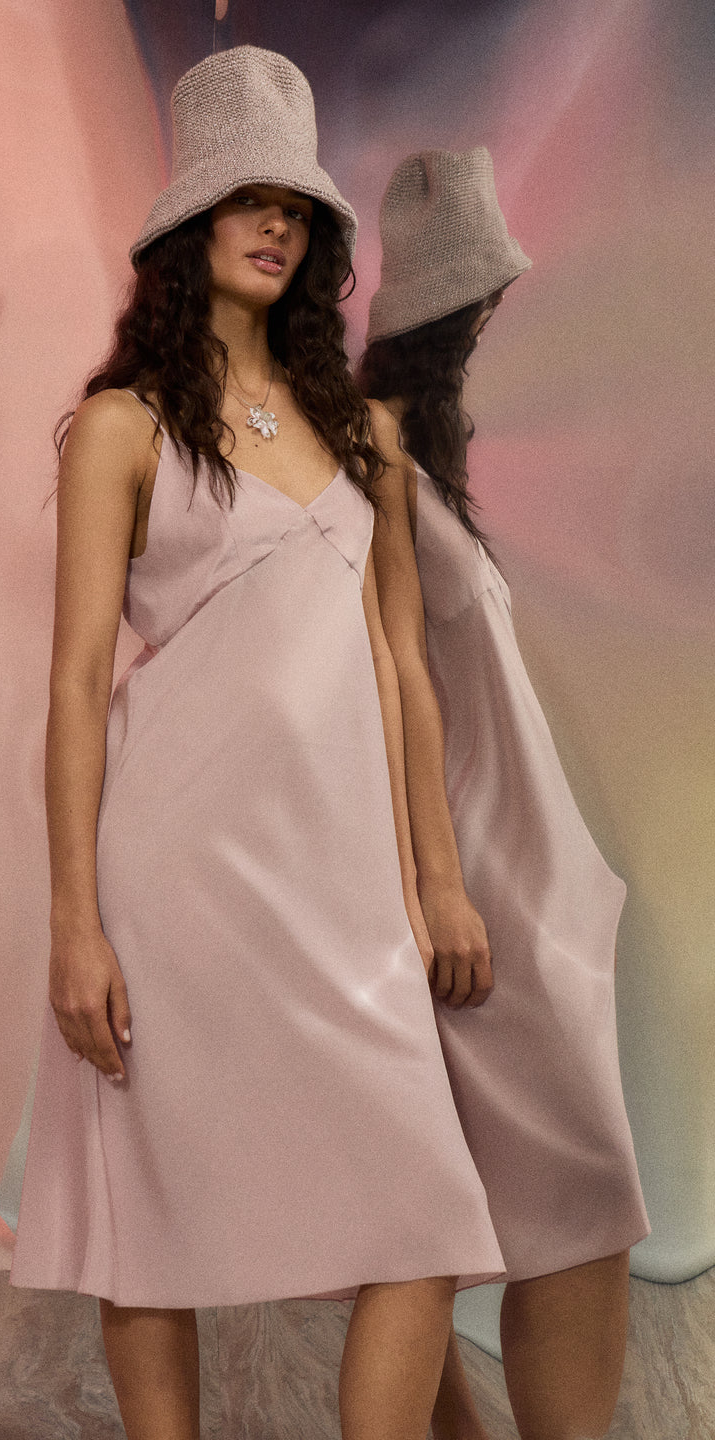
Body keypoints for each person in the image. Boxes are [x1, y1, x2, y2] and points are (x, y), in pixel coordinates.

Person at [10, 49, 506, 1440]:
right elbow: (75, 684)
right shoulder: (121, 428)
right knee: (149, 1217)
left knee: (419, 1216)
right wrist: (73, 924)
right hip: (176, 878)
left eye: (297, 205)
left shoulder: (358, 434)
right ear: (191, 224)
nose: (277, 222)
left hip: (340, 882)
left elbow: (400, 664)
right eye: (249, 197)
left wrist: (437, 877)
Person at [358, 147, 651, 1440]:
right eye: (485, 299)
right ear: (455, 308)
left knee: (458, 1197)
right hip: (482, 879)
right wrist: (436, 884)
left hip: (520, 871)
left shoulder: (415, 456)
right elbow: (387, 676)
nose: (492, 319)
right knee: (572, 1198)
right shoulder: (378, 452)